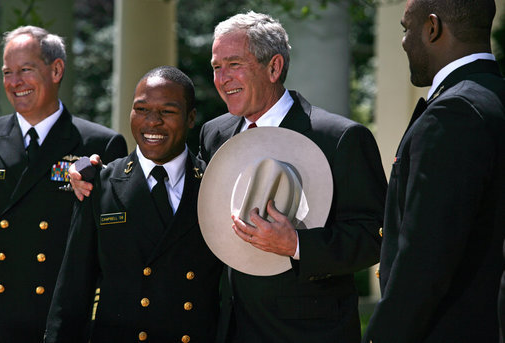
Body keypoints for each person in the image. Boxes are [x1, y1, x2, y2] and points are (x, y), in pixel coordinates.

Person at [69, 11, 387, 342]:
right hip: (228, 329)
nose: (222, 79)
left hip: (307, 332)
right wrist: (98, 173)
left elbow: (375, 236)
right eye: (217, 67)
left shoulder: (340, 138)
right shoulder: (214, 134)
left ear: (274, 67)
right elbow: (180, 192)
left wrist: (295, 244)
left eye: (234, 64)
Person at [44, 66, 223, 342]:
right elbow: (73, 292)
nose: (152, 122)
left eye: (167, 112)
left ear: (191, 118)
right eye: (141, 109)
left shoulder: (215, 184)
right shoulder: (100, 184)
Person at [363, 1, 505, 342]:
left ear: (432, 28)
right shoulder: (492, 99)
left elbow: (424, 261)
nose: (403, 41)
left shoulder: (453, 113)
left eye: (405, 28)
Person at [0, 26, 127, 342]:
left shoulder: (99, 145)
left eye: (26, 70)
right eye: (7, 72)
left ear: (56, 70)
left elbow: (112, 248)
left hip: (57, 323)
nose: (14, 82)